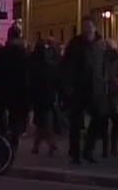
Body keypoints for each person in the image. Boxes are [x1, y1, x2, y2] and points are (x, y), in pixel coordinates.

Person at [61, 21, 108, 164]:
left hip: (95, 87)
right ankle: (75, 154)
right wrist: (67, 86)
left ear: (95, 28)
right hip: (77, 87)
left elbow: (103, 64)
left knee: (99, 117)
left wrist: (104, 81)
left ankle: (88, 148)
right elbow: (66, 65)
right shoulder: (75, 44)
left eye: (90, 28)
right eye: (85, 28)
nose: (87, 31)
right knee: (75, 122)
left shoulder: (100, 44)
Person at [0, 26, 31, 147]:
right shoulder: (24, 53)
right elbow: (27, 74)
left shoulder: (4, 52)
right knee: (15, 119)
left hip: (2, 90)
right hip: (18, 91)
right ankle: (13, 144)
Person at [29, 37, 60, 157]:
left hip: (37, 96)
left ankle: (48, 144)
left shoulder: (33, 65)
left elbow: (30, 81)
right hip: (49, 96)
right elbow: (56, 81)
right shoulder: (50, 66)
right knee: (43, 122)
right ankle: (37, 146)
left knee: (41, 122)